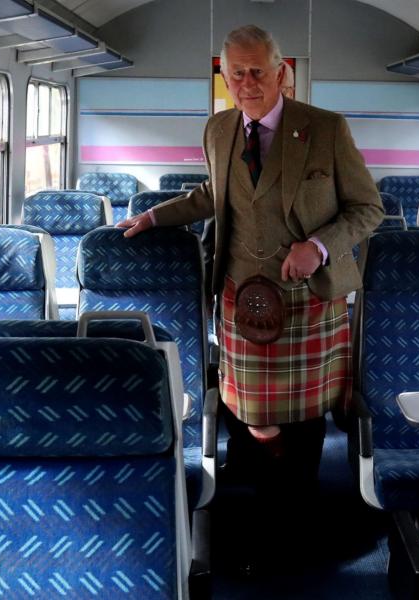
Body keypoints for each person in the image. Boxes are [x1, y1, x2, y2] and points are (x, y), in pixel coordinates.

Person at [119, 25, 383, 493]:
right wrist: (157, 215)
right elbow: (213, 194)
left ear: (282, 72)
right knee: (246, 415)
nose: (246, 83)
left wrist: (318, 246)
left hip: (310, 297)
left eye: (257, 71)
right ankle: (246, 517)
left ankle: (298, 508)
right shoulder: (219, 128)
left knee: (304, 415)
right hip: (240, 293)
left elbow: (368, 209)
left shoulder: (325, 128)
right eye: (235, 73)